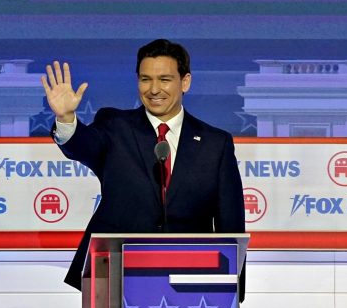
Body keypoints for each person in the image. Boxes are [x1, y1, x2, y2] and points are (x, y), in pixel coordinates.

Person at [43, 39, 245, 292]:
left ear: (185, 82)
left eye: (165, 79)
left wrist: (233, 290)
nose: (154, 89)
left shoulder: (216, 143)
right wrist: (66, 118)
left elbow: (231, 224)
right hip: (115, 273)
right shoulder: (115, 125)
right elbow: (82, 146)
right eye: (145, 79)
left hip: (190, 279)